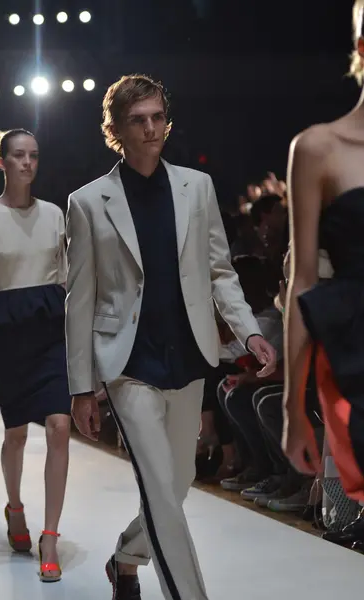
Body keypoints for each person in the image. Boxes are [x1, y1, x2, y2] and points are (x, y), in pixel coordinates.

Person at [66, 74, 277, 600]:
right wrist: (81, 386)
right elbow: (81, 299)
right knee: (160, 488)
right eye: (138, 120)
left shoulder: (195, 187)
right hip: (128, 363)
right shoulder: (89, 202)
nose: (151, 127)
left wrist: (249, 332)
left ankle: (126, 558)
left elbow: (220, 272)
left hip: (189, 354)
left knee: (176, 485)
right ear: (115, 129)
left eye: (158, 116)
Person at [0, 129, 71, 582]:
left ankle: (50, 535)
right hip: (9, 335)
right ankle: (15, 508)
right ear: (2, 162)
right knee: (15, 436)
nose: (28, 163)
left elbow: (68, 280)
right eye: (19, 156)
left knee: (59, 427)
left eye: (34, 155)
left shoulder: (55, 215)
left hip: (52, 332)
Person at [283, 0, 364, 508]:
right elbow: (303, 282)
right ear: (362, 48)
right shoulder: (319, 149)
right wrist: (294, 408)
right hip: (358, 355)